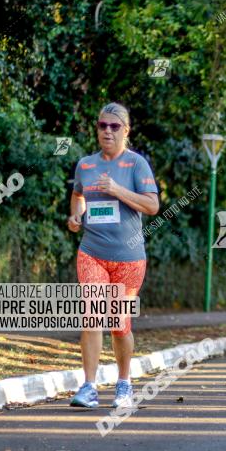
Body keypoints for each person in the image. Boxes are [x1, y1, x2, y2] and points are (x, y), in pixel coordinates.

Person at [67, 102, 159, 409]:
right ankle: (89, 386)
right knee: (92, 316)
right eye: (102, 125)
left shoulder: (136, 165)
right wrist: (75, 216)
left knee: (120, 324)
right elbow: (78, 195)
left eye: (114, 126)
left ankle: (123, 383)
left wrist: (117, 190)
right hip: (92, 251)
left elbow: (152, 206)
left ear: (126, 131)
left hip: (129, 257)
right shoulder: (85, 165)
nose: (107, 131)